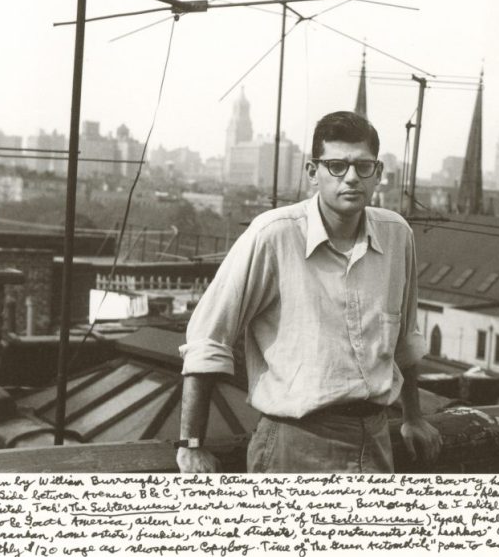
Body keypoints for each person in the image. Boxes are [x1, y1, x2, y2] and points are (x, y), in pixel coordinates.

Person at [176, 110, 442, 473]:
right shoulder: (274, 234)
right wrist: (191, 444)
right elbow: (208, 337)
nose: (351, 178)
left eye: (363, 167)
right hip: (295, 444)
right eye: (336, 166)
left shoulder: (397, 235)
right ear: (312, 173)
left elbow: (406, 343)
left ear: (378, 174)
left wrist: (413, 417)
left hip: (377, 439)